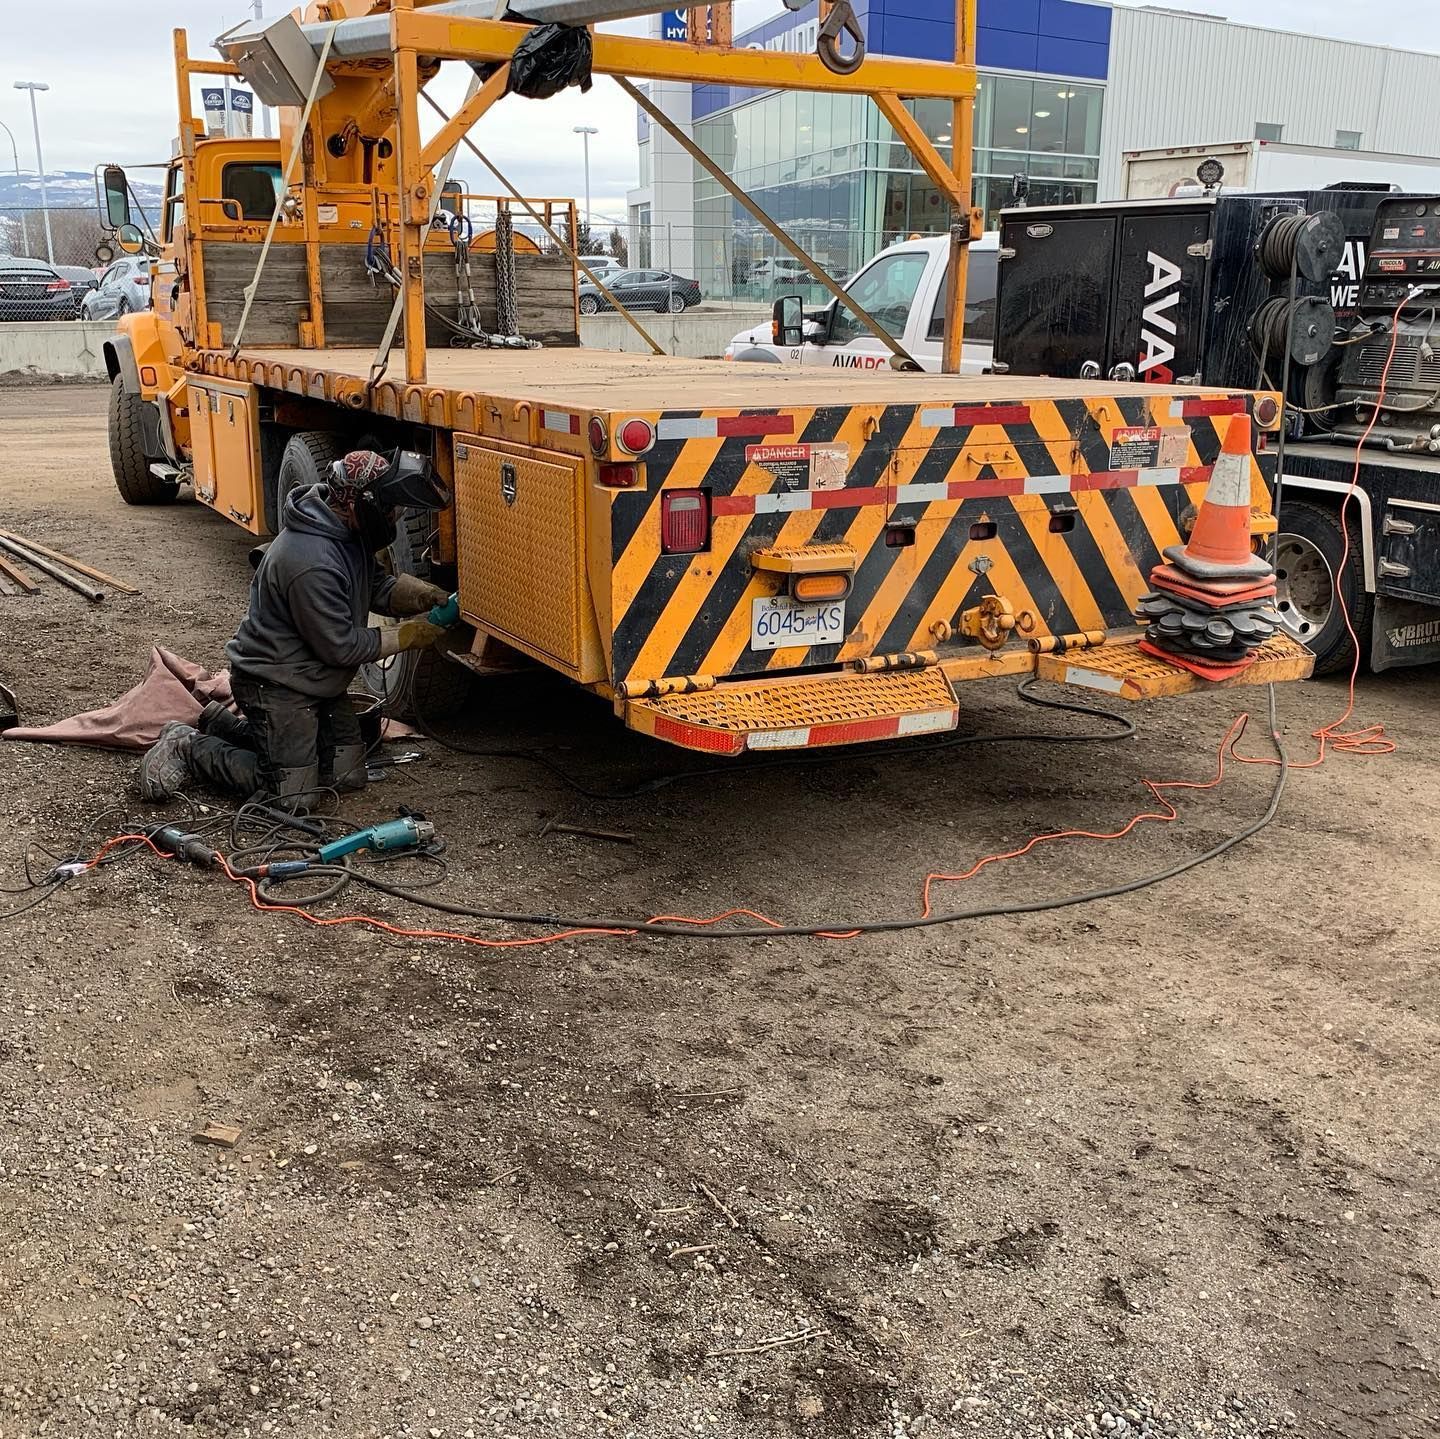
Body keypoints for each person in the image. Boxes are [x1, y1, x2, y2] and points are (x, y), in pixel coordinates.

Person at [137, 448, 454, 807]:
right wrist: (407, 636)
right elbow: (341, 647)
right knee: (295, 796)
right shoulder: (310, 561)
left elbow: (373, 585)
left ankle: (224, 725)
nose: (393, 515)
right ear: (358, 505)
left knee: (346, 776)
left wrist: (421, 596)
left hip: (315, 679)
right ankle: (190, 745)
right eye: (387, 508)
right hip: (276, 683)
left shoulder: (345, 530)